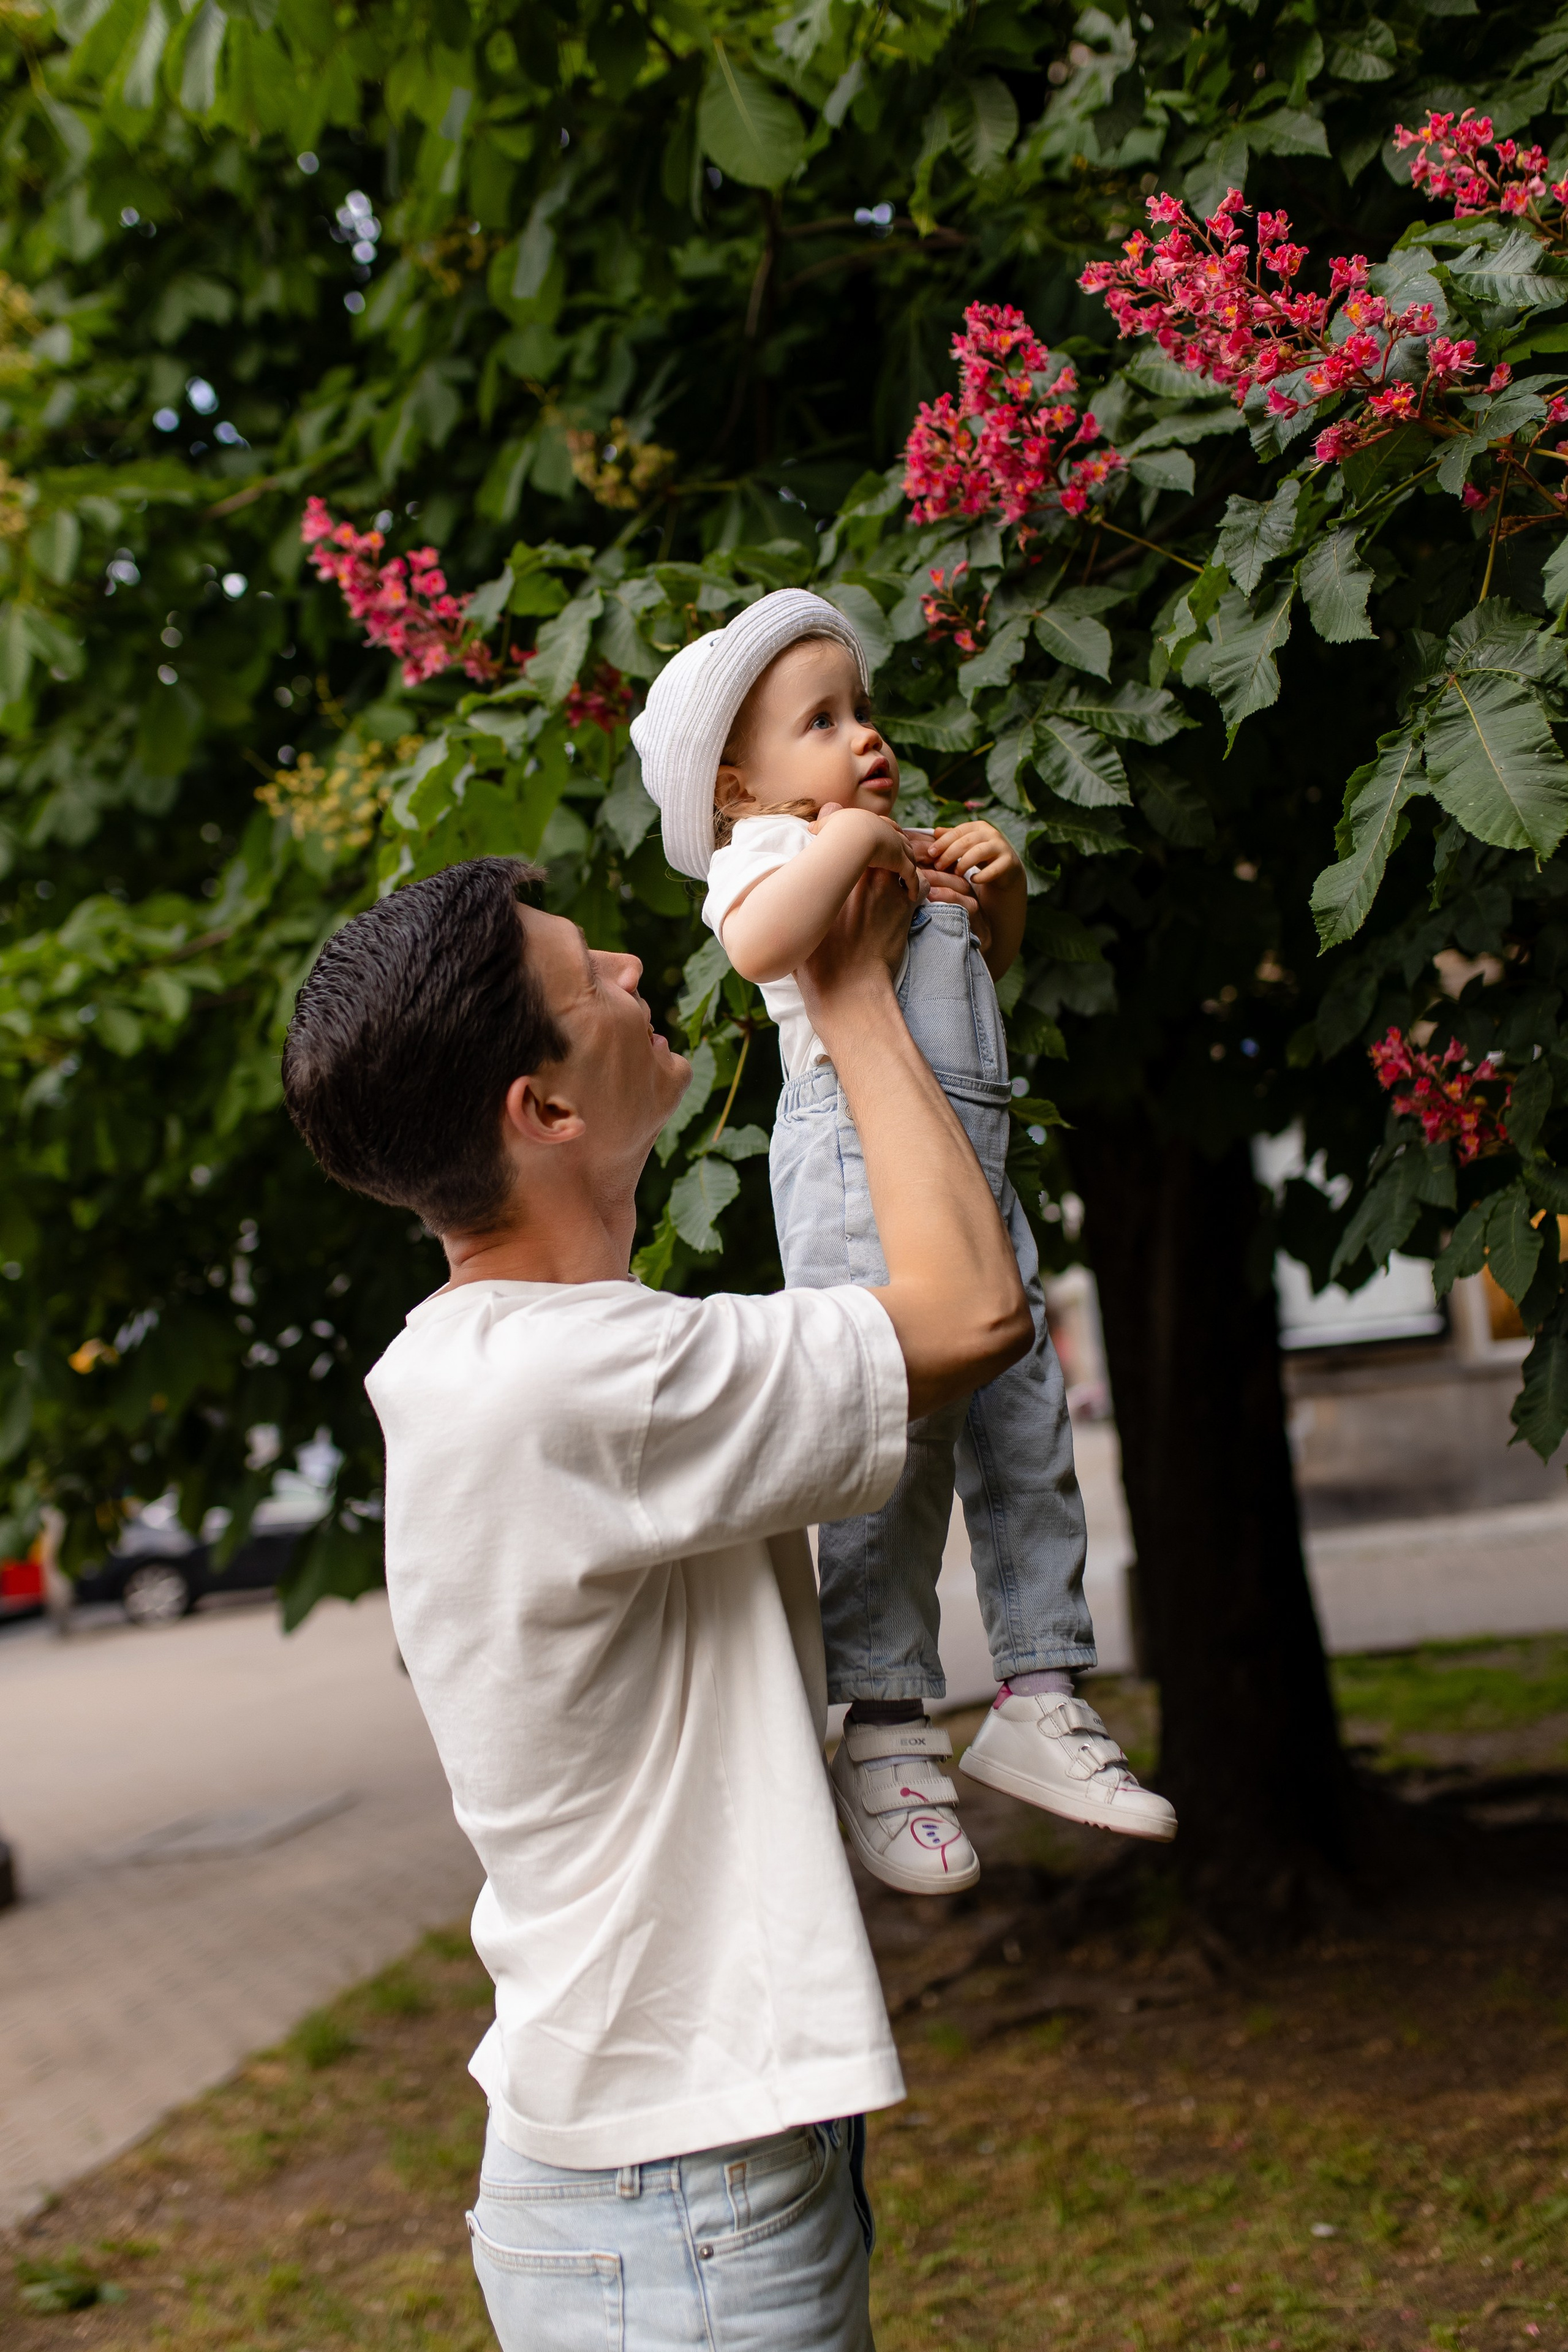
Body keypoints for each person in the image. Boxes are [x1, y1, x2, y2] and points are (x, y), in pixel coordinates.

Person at [281, 850, 1033, 2351]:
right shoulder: (579, 1389)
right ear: (543, 1110)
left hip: (667, 2167)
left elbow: (900, 1244)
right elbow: (970, 1312)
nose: (635, 974)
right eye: (591, 979)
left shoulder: (531, 1361)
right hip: (673, 2195)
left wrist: (947, 956)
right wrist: (841, 982)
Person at [633, 590, 1176, 1896]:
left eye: (860, 711)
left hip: (968, 1173)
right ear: (736, 785)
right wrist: (855, 841)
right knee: (889, 1444)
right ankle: (883, 1729)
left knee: (1025, 1431)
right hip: (851, 1171)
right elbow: (762, 943)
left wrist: (1000, 894)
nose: (861, 739)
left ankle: (1039, 1691)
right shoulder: (765, 856)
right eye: (819, 722)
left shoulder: (873, 849)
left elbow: (979, 977)